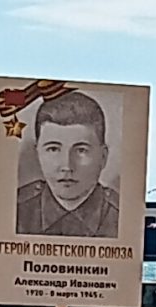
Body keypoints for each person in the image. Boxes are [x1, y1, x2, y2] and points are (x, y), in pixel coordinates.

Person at [16, 89, 119, 238]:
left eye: (81, 150)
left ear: (103, 157)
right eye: (53, 149)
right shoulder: (15, 210)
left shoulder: (122, 216)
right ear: (38, 153)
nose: (67, 166)